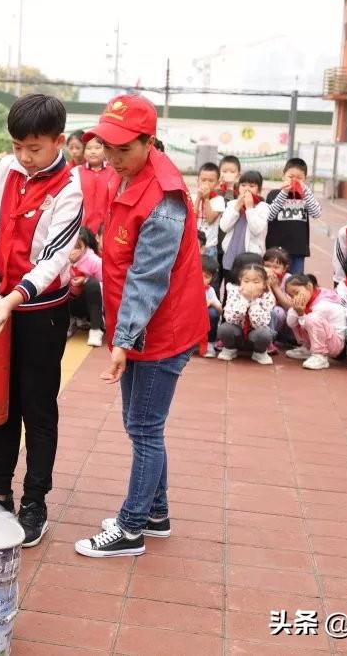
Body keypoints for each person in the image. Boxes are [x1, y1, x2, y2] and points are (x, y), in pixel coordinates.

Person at [71, 93, 207, 558]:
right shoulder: (125, 176)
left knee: (144, 427)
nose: (112, 158)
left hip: (161, 328)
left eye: (123, 149)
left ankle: (130, 529)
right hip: (140, 321)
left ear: (150, 142)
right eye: (106, 147)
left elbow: (148, 279)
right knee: (144, 424)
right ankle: (157, 512)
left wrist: (122, 341)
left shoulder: (164, 198)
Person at [0, 94, 83, 548]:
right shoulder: (3, 170)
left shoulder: (70, 187)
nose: (24, 156)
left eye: (34, 148)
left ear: (59, 142)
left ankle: (35, 499)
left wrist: (14, 297)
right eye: (18, 146)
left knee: (37, 405)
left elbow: (54, 259)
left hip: (39, 313)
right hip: (0, 304)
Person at [265, 157, 322, 274]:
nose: (294, 181)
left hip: (298, 248)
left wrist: (305, 191)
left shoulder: (305, 197)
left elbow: (316, 213)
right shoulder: (274, 194)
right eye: (290, 177)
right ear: (283, 176)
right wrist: (284, 192)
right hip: (275, 248)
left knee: (295, 282)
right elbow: (269, 216)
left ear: (305, 179)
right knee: (273, 279)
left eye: (299, 178)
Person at [217, 263, 276, 365]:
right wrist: (244, 300)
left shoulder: (267, 297)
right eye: (246, 281)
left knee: (265, 333)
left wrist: (253, 300)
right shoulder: (234, 291)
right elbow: (230, 318)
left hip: (255, 336)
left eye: (256, 281)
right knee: (225, 328)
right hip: (237, 334)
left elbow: (260, 323)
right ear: (240, 281)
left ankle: (259, 352)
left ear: (264, 283)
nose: (251, 285)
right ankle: (230, 349)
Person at [284, 274, 346, 370]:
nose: (294, 298)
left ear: (309, 286)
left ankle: (320, 356)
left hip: (334, 345)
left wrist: (301, 314)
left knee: (311, 319)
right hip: (320, 337)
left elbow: (308, 324)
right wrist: (295, 309)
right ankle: (308, 348)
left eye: (296, 293)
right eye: (291, 296)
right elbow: (291, 323)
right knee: (300, 317)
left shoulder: (323, 304)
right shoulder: (307, 300)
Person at [219, 171, 269, 277]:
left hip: (251, 257)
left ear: (259, 190)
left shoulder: (262, 207)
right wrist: (237, 207)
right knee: (230, 287)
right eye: (243, 185)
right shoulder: (232, 204)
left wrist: (249, 208)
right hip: (231, 255)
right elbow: (224, 227)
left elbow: (257, 229)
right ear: (238, 188)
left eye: (252, 186)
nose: (247, 189)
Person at [67, 227, 104, 347]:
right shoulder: (60, 258)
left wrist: (85, 280)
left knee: (92, 284)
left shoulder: (94, 261)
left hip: (90, 304)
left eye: (77, 247)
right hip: (69, 300)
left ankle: (95, 329)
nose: (73, 251)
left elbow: (106, 286)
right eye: (70, 246)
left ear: (85, 247)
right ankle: (70, 321)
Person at [78, 135, 111, 236]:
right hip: (82, 230)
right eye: (88, 148)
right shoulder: (76, 173)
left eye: (97, 147)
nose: (93, 151)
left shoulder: (114, 173)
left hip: (106, 229)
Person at [262, 247, 292, 346]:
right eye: (267, 266)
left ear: (284, 268)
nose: (271, 270)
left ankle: (270, 339)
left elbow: (288, 306)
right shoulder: (259, 276)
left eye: (276, 267)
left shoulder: (288, 279)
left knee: (277, 311)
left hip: (285, 322)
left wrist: (275, 286)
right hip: (262, 317)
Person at [194, 162, 225, 259]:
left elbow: (210, 219)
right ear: (197, 180)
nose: (206, 184)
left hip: (209, 247)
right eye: (203, 180)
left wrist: (206, 198)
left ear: (217, 183)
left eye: (211, 181)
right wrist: (199, 198)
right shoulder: (193, 197)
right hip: (193, 245)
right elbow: (191, 218)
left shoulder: (219, 200)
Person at [202, 255, 223, 358]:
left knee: (212, 313)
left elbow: (220, 310)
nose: (202, 279)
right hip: (188, 316)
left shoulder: (209, 290)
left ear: (212, 278)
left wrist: (211, 302)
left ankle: (210, 343)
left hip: (203, 317)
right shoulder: (186, 287)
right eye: (199, 274)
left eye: (206, 277)